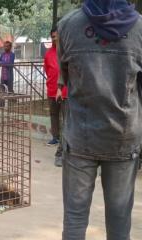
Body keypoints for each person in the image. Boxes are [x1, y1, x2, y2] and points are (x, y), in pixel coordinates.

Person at [57, 1, 142, 239]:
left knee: (74, 218)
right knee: (119, 218)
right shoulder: (139, 28)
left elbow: (67, 78)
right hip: (123, 137)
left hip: (80, 137)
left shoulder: (67, 25)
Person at [43, 27, 68, 167]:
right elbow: (47, 69)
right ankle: (55, 137)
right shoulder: (48, 53)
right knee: (54, 115)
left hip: (65, 92)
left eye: (56, 36)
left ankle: (64, 145)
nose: (54, 39)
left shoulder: (66, 53)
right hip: (52, 89)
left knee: (66, 118)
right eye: (52, 37)